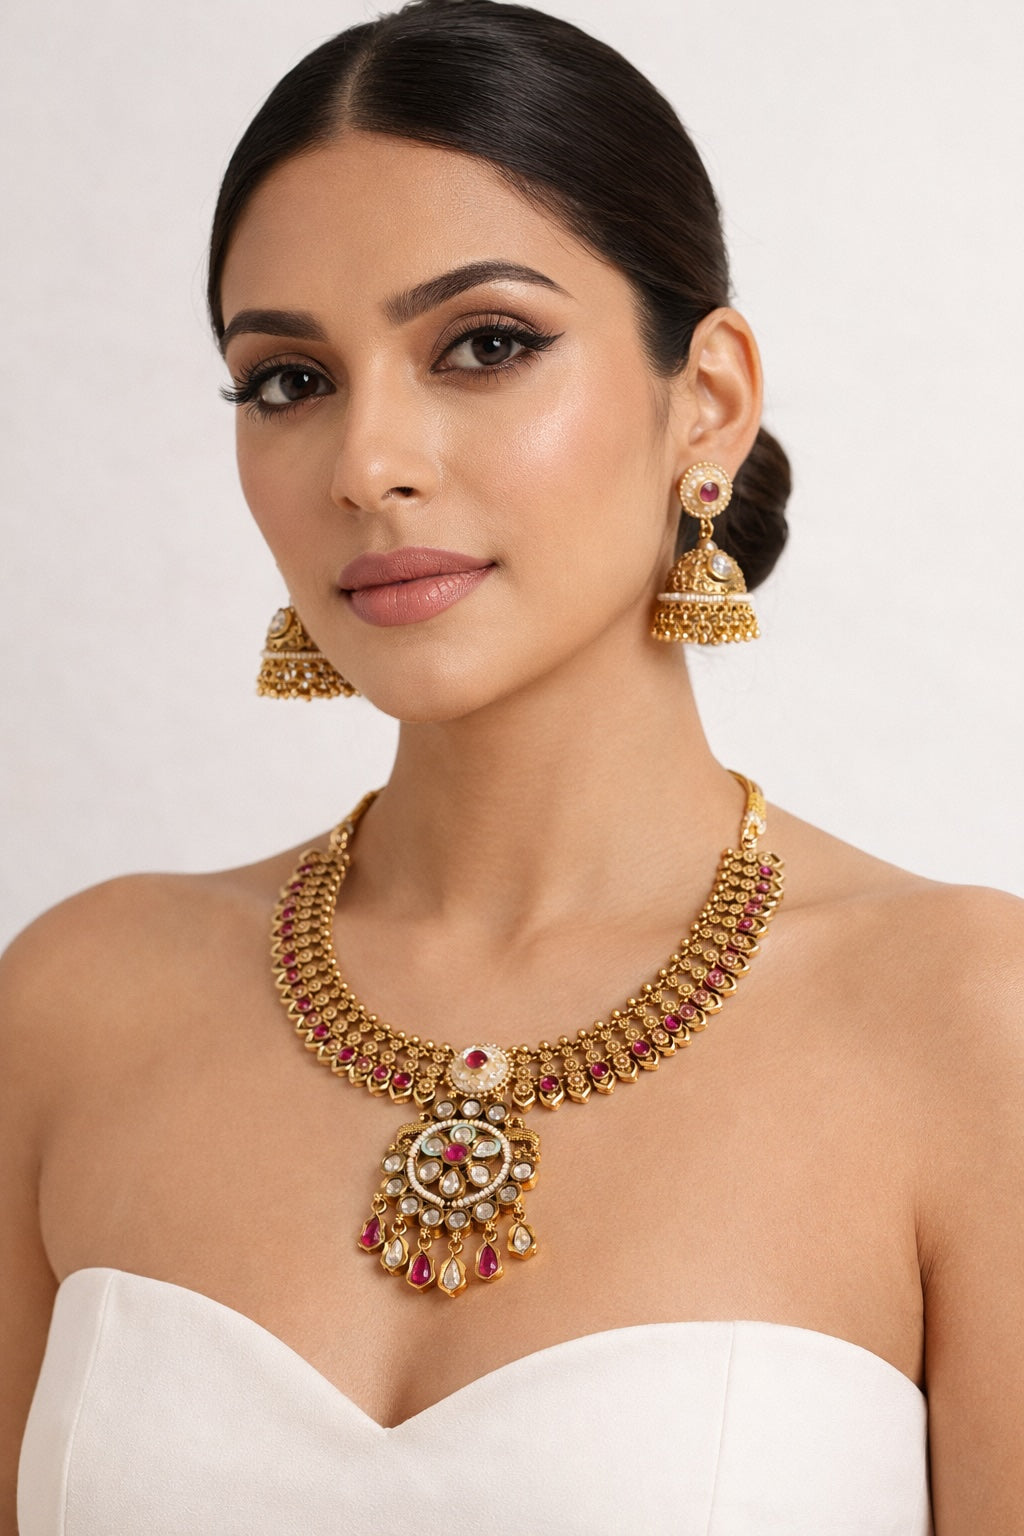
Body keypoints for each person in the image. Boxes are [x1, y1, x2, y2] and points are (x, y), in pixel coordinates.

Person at [3, 0, 1022, 1530]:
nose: (366, 463)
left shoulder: (969, 1029)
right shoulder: (75, 1006)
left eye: (486, 345)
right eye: (290, 378)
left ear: (712, 402)